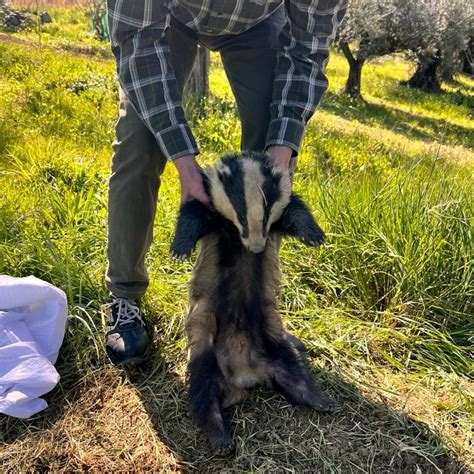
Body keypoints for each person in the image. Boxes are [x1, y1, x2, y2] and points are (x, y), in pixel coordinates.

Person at [104, 0, 348, 366]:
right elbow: (137, 41)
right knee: (140, 143)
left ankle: (245, 315)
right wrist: (185, 166)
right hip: (168, 16)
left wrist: (278, 160)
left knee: (270, 158)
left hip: (257, 22)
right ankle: (125, 295)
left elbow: (306, 51)